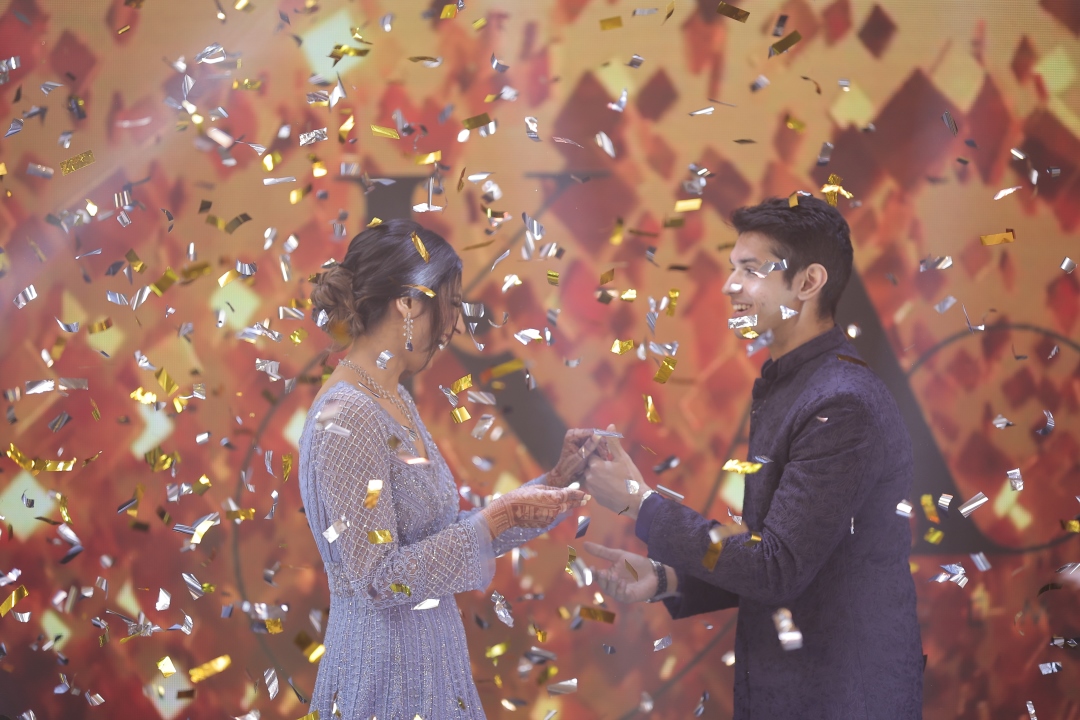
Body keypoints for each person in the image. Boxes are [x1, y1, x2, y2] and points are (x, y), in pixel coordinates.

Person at [583, 196, 924, 719]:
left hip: (842, 696)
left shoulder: (841, 403)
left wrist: (640, 504)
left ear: (808, 283)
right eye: (730, 268)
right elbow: (799, 559)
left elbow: (778, 567)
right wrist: (670, 580)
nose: (729, 286)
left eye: (751, 270)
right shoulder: (793, 384)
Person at [298, 219, 597, 719]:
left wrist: (551, 484)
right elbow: (380, 577)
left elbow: (433, 539)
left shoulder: (389, 398)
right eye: (450, 303)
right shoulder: (345, 414)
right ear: (408, 302)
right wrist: (495, 519)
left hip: (430, 666)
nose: (455, 323)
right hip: (382, 680)